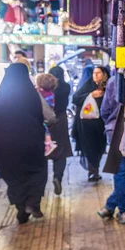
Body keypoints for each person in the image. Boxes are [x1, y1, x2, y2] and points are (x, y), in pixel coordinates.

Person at [0, 63, 48, 223]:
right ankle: (32, 202)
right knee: (37, 170)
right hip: (31, 141)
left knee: (14, 176)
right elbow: (42, 116)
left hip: (4, 145)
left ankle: (21, 208)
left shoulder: (1, 94)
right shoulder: (30, 93)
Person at [98, 71, 125, 224]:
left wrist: (110, 124)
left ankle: (113, 206)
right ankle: (120, 210)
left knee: (121, 171)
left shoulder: (113, 81)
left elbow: (104, 110)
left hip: (115, 131)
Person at [72, 66, 110, 182]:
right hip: (87, 124)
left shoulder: (109, 86)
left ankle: (95, 169)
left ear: (104, 74)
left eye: (98, 73)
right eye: (94, 73)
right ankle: (92, 171)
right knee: (89, 147)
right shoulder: (88, 85)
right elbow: (75, 98)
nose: (95, 75)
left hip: (101, 124)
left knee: (99, 147)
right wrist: (90, 95)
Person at [48, 66, 73, 195]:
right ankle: (57, 177)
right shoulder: (66, 87)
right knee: (61, 151)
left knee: (45, 149)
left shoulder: (47, 88)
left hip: (47, 121)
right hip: (61, 121)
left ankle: (40, 182)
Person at [35, 73, 58, 156]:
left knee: (44, 127)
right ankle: (49, 141)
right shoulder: (51, 93)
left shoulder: (40, 93)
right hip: (50, 114)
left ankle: (49, 143)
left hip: (43, 115)